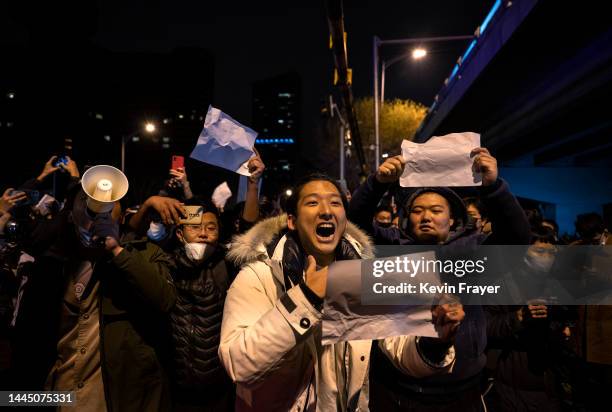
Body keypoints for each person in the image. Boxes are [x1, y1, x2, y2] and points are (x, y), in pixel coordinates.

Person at [219, 173, 463, 411]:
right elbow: (239, 365)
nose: (326, 210)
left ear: (344, 219)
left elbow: (399, 349)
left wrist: (436, 341)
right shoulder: (259, 277)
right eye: (313, 202)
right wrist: (307, 298)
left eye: (335, 202)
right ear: (292, 220)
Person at [349, 147, 530, 411]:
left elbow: (517, 241)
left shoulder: (475, 253)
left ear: (453, 218)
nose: (426, 217)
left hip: (463, 390)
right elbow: (354, 226)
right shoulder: (390, 249)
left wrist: (493, 188)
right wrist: (376, 184)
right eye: (417, 211)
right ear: (407, 219)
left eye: (436, 210)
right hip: (397, 391)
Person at [10, 167, 177, 412]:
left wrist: (116, 251)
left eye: (110, 211)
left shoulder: (142, 256)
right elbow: (28, 345)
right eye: (89, 209)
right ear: (71, 215)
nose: (99, 218)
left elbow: (165, 299)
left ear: (121, 219)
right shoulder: (51, 267)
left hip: (111, 398)